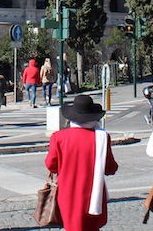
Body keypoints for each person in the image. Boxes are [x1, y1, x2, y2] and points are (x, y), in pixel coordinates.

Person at [45, 95, 118, 231]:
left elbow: (51, 165)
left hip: (68, 193)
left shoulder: (59, 137)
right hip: (93, 196)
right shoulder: (102, 137)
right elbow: (110, 168)